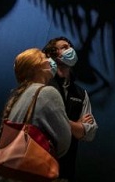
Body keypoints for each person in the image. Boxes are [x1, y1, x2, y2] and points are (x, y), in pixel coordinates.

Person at [0, 47, 72, 182]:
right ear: (36, 66)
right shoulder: (48, 93)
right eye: (44, 57)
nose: (50, 60)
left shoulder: (17, 96)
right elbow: (64, 143)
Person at [43, 37, 99, 182]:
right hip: (37, 163)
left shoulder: (81, 93)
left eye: (70, 46)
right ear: (53, 54)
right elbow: (40, 120)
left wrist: (60, 120)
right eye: (65, 47)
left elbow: (89, 132)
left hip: (64, 171)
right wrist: (76, 125)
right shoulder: (42, 85)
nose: (71, 50)